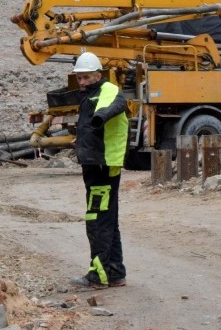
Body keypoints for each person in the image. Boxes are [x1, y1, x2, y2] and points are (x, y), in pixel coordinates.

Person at [68, 52, 129, 290]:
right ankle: (115, 272)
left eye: (86, 78)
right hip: (97, 163)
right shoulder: (91, 93)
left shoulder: (108, 91)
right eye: (79, 78)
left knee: (97, 219)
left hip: (103, 165)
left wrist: (99, 117)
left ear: (98, 75)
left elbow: (116, 105)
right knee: (108, 219)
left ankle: (98, 276)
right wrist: (81, 138)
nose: (82, 82)